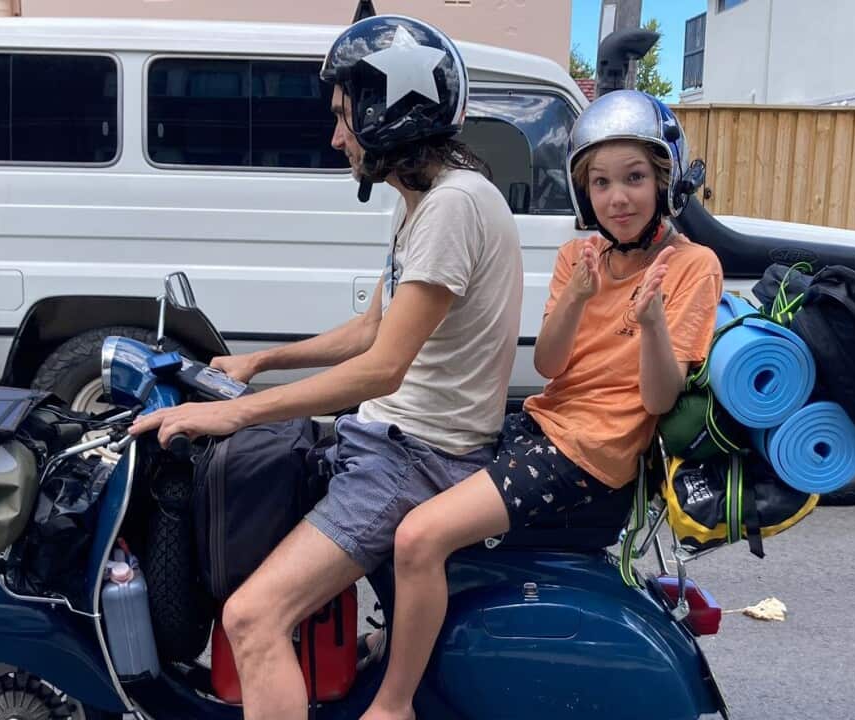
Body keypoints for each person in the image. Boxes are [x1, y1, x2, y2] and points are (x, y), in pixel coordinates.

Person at [130, 15, 523, 720]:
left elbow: (383, 369)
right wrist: (260, 361)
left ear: (390, 112)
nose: (336, 137)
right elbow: (371, 329)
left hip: (414, 459)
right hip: (391, 442)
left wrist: (233, 411)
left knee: (253, 618)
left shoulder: (452, 208)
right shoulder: (426, 201)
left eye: (345, 118)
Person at [360, 89, 725, 720]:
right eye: (602, 183)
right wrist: (580, 297)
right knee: (393, 483)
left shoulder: (694, 266)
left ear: (665, 179)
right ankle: (405, 638)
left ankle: (392, 706)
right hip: (546, 428)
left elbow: (659, 398)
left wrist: (655, 324)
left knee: (419, 536)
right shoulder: (576, 257)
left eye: (635, 178)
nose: (618, 198)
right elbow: (551, 366)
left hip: (592, 454)